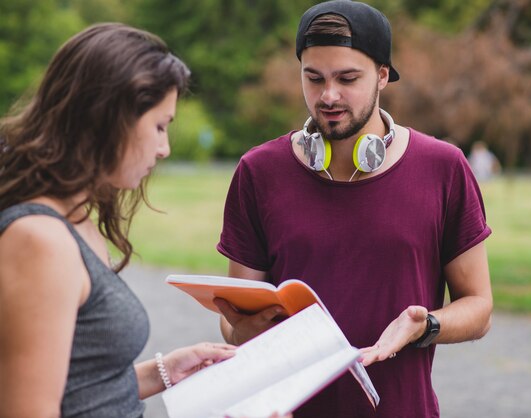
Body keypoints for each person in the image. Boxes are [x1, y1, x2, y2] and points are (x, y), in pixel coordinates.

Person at [215, 1, 493, 417]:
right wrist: (245, 329)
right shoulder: (258, 172)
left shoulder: (444, 167)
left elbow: (479, 307)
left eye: (347, 78)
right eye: (314, 78)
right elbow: (234, 323)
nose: (328, 96)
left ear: (383, 74)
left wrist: (425, 326)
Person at [0, 23, 240, 418]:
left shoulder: (75, 219)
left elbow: (81, 386)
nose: (164, 149)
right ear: (109, 119)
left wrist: (162, 372)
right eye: (159, 126)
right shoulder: (39, 239)